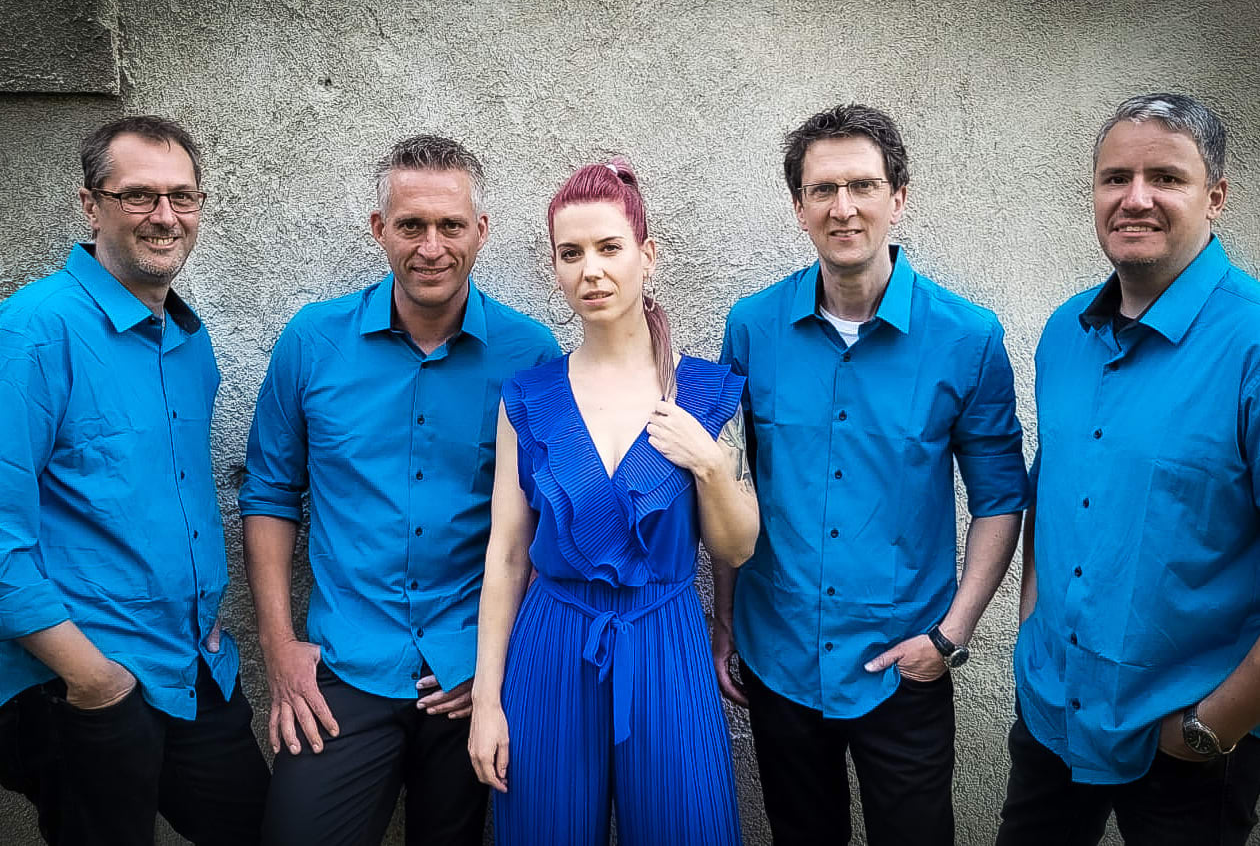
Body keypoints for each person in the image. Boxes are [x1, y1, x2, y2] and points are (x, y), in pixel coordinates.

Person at [713, 103, 1030, 845]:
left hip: (905, 664)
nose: (843, 207)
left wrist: (950, 637)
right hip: (779, 654)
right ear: (798, 207)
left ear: (899, 197)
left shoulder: (968, 337)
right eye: (823, 189)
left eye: (862, 185)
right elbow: (729, 485)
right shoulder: (751, 327)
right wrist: (725, 622)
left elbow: (1000, 498)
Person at [239, 134, 558, 846]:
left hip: (472, 673)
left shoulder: (531, 355)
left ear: (481, 231)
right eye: (411, 225)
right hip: (344, 669)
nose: (431, 247)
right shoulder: (312, 341)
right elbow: (268, 494)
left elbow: (546, 524)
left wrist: (498, 664)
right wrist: (278, 647)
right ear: (379, 229)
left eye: (450, 225)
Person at [468, 159, 757, 845]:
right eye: (571, 253)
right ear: (555, 268)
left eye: (608, 248)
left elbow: (738, 547)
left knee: (687, 828)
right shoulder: (528, 397)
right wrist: (486, 700)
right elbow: (506, 555)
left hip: (668, 635)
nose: (591, 271)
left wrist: (710, 462)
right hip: (552, 640)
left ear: (646, 256)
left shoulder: (705, 392)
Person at [997, 93, 1260, 845]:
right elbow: (1054, 495)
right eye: (1116, 177)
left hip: (1190, 743)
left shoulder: (1251, 342)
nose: (1135, 198)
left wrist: (1213, 726)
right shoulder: (1065, 331)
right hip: (1054, 713)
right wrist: (1032, 632)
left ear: (1215, 196)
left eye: (1165, 178)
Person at [0, 116, 269, 845]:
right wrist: (94, 682)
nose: (165, 216)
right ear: (91, 206)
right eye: (139, 196)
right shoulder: (33, 330)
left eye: (183, 197)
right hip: (83, 683)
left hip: (191, 665)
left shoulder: (186, 340)